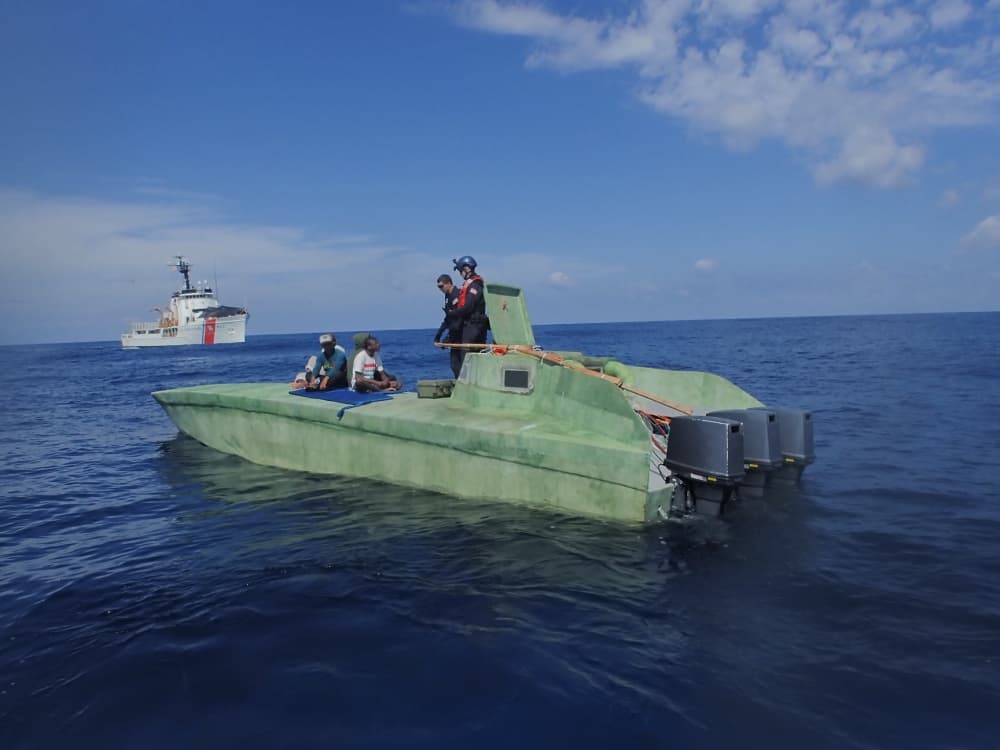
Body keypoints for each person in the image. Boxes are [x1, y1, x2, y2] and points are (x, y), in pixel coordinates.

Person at [446, 255, 490, 374]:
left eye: (461, 271)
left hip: (474, 327)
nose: (461, 274)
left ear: (466, 269)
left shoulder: (475, 285)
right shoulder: (472, 284)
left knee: (467, 359)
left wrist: (453, 313)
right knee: (468, 359)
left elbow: (468, 307)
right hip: (472, 326)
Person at [433, 273, 462, 377]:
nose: (440, 289)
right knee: (455, 365)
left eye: (441, 286)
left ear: (449, 283)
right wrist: (439, 335)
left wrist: (449, 336)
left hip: (462, 333)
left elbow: (459, 318)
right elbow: (448, 319)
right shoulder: (448, 297)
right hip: (454, 333)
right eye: (438, 287)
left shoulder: (458, 295)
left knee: (460, 365)